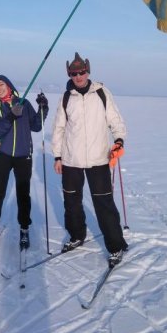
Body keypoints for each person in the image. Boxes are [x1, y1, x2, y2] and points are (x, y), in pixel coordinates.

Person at [51, 52, 128, 267]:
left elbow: (116, 120)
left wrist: (119, 140)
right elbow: (58, 129)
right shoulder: (66, 98)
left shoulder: (102, 93)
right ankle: (77, 235)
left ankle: (116, 245)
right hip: (71, 160)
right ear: (69, 74)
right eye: (74, 73)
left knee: (104, 203)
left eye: (81, 72)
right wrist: (58, 156)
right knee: (72, 202)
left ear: (88, 71)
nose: (78, 76)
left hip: (98, 159)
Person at [0, 75, 49, 250]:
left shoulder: (24, 103)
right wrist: (10, 117)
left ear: (9, 85)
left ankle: (24, 228)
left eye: (1, 84)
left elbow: (36, 126)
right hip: (2, 155)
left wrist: (43, 108)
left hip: (23, 156)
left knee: (23, 194)